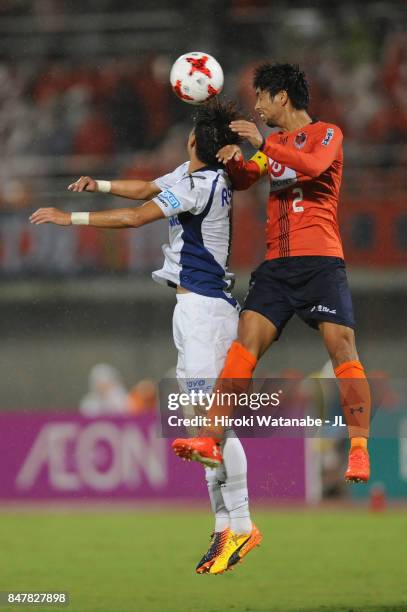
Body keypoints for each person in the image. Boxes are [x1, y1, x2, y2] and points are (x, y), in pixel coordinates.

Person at [29, 100, 262, 574]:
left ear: (197, 141)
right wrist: (103, 185)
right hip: (195, 309)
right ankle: (223, 529)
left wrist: (69, 218)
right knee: (202, 425)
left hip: (204, 311)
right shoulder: (197, 175)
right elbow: (147, 189)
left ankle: (242, 523)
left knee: (213, 424)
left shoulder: (199, 185)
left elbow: (138, 218)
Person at [172, 63, 371, 484]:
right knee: (245, 345)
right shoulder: (273, 144)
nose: (257, 104)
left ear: (282, 96)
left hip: (320, 261)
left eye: (261, 95)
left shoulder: (328, 134)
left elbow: (314, 165)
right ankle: (209, 435)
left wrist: (263, 143)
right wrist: (234, 162)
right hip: (277, 266)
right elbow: (248, 178)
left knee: (342, 349)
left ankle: (358, 448)